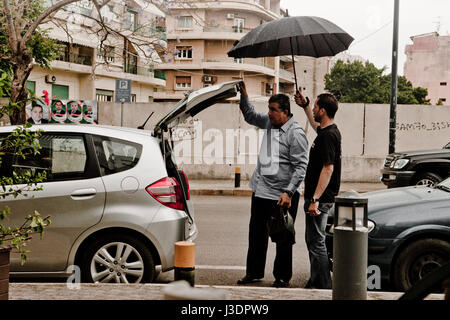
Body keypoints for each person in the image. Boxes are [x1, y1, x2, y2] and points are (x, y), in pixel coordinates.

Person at [237, 81, 308, 288]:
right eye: (268, 108)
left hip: (283, 195)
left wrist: (288, 192)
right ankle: (254, 272)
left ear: (285, 112)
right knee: (256, 236)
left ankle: (282, 277)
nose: (268, 113)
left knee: (283, 238)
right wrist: (244, 95)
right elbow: (250, 115)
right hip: (261, 190)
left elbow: (301, 167)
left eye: (273, 110)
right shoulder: (269, 123)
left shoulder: (296, 134)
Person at [294, 90, 342, 289]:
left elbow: (328, 168)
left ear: (322, 110)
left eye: (314, 106)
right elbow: (316, 127)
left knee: (316, 242)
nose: (313, 109)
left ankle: (322, 285)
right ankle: (317, 279)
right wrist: (305, 106)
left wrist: (315, 198)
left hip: (319, 198)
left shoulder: (328, 136)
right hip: (319, 197)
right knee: (313, 240)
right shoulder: (327, 131)